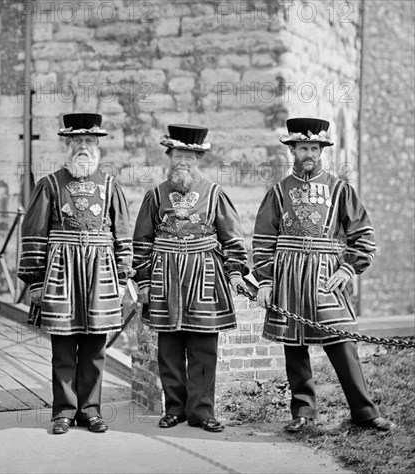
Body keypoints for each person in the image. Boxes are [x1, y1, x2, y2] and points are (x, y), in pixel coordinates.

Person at [252, 117, 396, 432]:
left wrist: (348, 269)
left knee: (341, 339)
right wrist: (264, 281)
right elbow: (263, 239)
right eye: (303, 147)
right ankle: (303, 412)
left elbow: (364, 235)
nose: (309, 154)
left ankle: (364, 412)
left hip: (325, 275)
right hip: (287, 276)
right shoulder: (277, 192)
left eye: (314, 148)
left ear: (321, 151)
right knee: (294, 346)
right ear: (292, 150)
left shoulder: (341, 189)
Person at [18, 113, 133, 435]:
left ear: (98, 147)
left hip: (101, 272)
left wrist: (123, 279)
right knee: (64, 345)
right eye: (77, 142)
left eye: (90, 142)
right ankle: (64, 412)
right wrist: (36, 281)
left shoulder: (111, 186)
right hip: (61, 273)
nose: (84, 147)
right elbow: (33, 234)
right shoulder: (50, 184)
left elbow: (122, 235)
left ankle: (91, 411)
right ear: (67, 145)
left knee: (96, 346)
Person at [132, 124, 248, 432]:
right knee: (169, 348)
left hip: (205, 276)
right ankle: (175, 409)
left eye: (191, 156)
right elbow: (141, 242)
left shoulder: (214, 194)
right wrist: (143, 281)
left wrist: (235, 273)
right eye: (178, 155)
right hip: (165, 278)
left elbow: (233, 239)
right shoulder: (155, 195)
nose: (184, 161)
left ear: (199, 159)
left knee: (203, 347)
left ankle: (202, 411)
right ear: (169, 156)